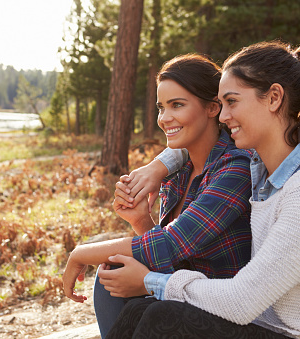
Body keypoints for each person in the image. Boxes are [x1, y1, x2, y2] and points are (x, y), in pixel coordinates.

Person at [99, 41, 300, 338]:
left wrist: (150, 282)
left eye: (232, 102)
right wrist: (160, 165)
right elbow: (200, 144)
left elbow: (241, 301)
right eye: (221, 105)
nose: (223, 117)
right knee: (138, 311)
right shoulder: (264, 168)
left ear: (274, 97)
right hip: (277, 329)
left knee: (165, 315)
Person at [62, 54, 253, 338]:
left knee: (146, 305)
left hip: (226, 312)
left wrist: (82, 253)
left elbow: (174, 243)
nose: (164, 119)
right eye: (161, 107)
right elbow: (176, 262)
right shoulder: (178, 172)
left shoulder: (236, 167)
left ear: (213, 108)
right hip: (184, 300)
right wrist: (141, 219)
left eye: (177, 105)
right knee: (111, 273)